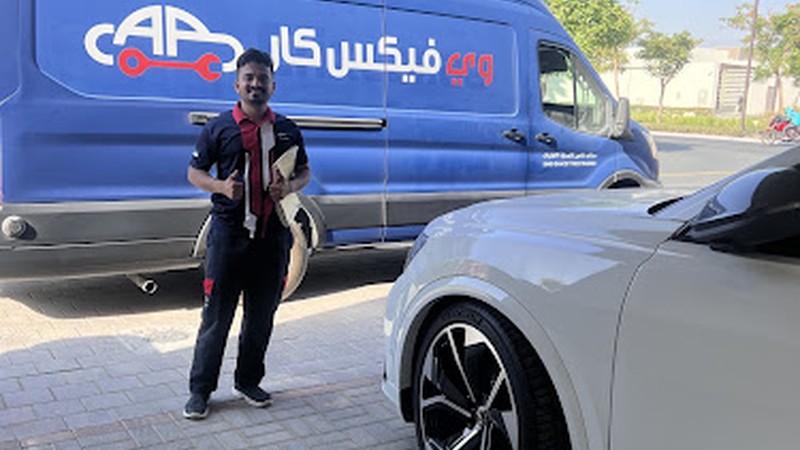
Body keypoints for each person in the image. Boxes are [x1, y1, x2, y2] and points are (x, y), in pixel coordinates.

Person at [183, 48, 311, 420]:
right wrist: (221, 187)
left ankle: (248, 381)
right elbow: (194, 173)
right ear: (237, 84)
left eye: (263, 78)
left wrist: (289, 187)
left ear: (273, 85)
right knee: (216, 317)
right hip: (229, 238)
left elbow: (304, 171)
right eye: (249, 78)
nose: (256, 84)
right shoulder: (218, 128)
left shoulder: (287, 129)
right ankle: (200, 391)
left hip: (272, 239)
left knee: (261, 317)